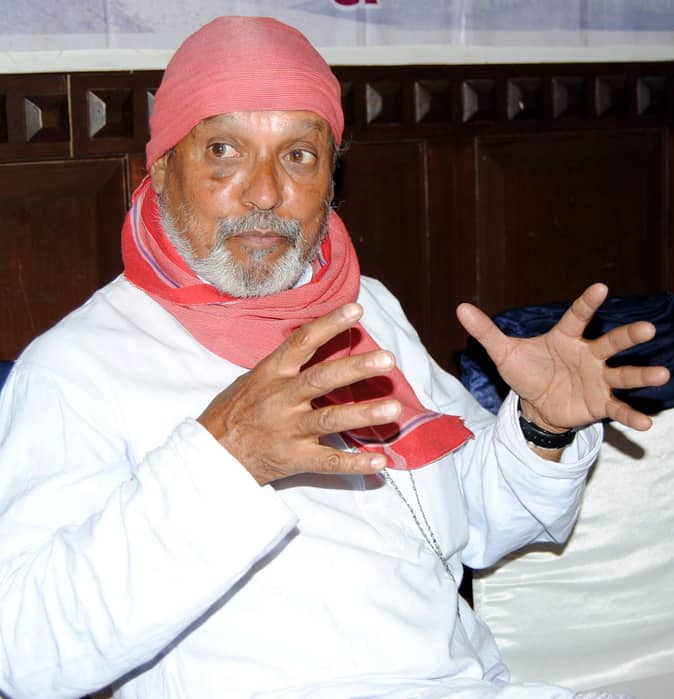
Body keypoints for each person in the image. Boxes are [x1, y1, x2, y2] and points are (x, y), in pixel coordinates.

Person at [0, 16, 668, 699]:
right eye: (224, 150)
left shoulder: (362, 307)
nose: (265, 193)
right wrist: (226, 459)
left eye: (298, 155)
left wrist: (540, 427)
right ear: (162, 167)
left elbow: (476, 521)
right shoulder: (76, 368)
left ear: (331, 177)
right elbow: (23, 652)